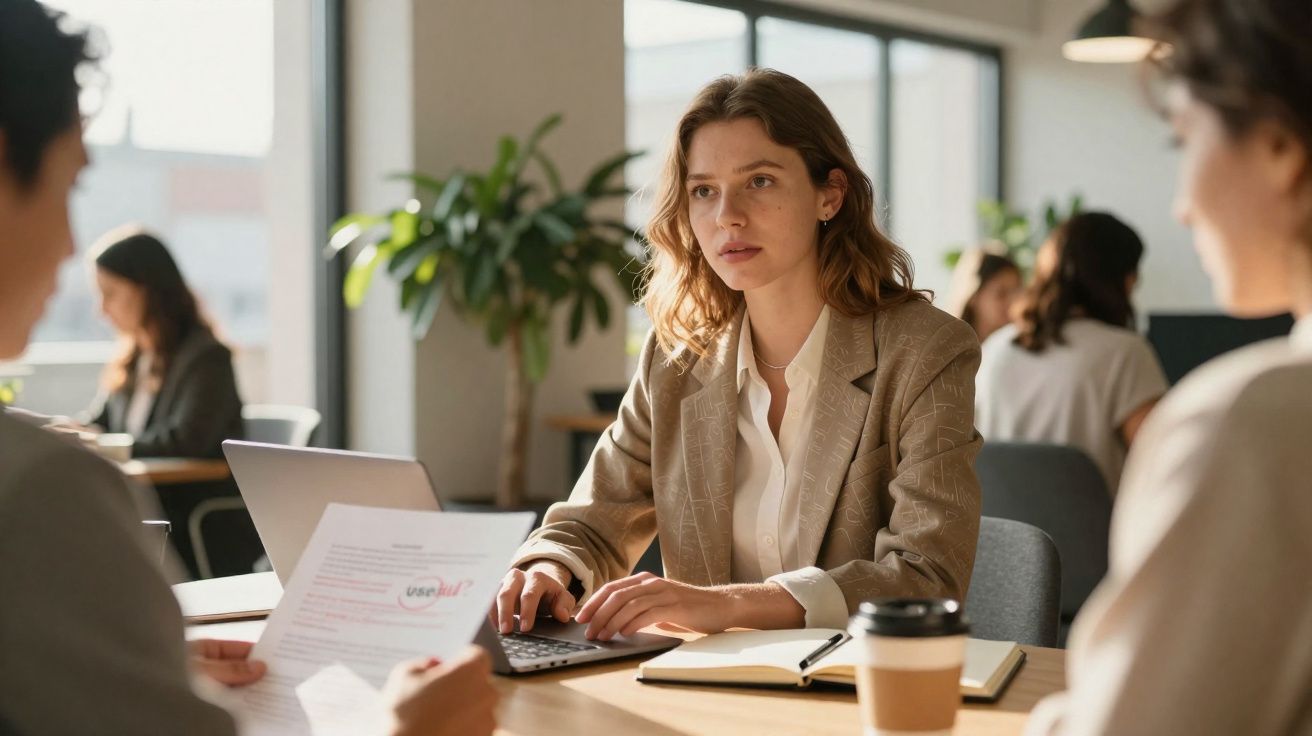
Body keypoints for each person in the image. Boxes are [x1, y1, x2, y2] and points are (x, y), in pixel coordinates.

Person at [0, 2, 497, 734]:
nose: (70, 245)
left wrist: (132, 664)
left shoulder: (195, 360)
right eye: (71, 185)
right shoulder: (39, 494)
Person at [496, 68, 983, 640]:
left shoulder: (926, 351)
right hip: (704, 694)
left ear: (830, 194)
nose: (727, 214)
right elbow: (593, 522)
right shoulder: (678, 357)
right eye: (704, 190)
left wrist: (729, 606)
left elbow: (927, 575)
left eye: (759, 182)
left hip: (854, 693)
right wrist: (546, 568)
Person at [1025, 0, 1312, 733]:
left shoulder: (1247, 426)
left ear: (1280, 146)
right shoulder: (1198, 396)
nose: (1181, 207)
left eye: (1182, 140)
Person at [974, 212, 1167, 494]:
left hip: (1001, 536)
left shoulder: (994, 349)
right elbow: (1163, 462)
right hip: (1093, 537)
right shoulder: (1125, 353)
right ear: (1124, 281)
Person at [74, 226, 243, 458]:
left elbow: (186, 442)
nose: (101, 309)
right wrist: (69, 432)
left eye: (110, 293)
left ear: (146, 291)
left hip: (184, 492)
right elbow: (102, 424)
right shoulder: (134, 359)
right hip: (140, 489)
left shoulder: (208, 358)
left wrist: (103, 445)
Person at [946, 244, 1023, 341]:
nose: (1013, 301)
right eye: (1001, 293)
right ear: (973, 295)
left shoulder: (1023, 345)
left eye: (1017, 292)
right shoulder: (951, 349)